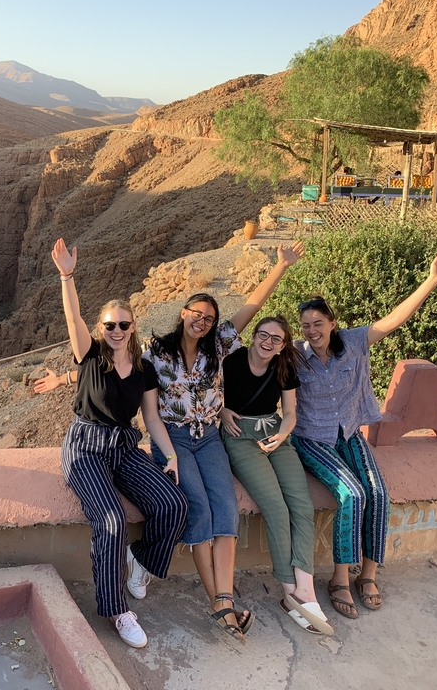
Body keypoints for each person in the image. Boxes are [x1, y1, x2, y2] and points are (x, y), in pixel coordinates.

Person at [141, 241, 305, 642]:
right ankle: (221, 604)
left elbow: (252, 306)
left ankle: (224, 600)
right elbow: (122, 373)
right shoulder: (157, 353)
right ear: (183, 314)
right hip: (176, 438)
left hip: (211, 437)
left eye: (209, 317)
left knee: (226, 512)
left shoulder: (219, 346)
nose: (202, 321)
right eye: (196, 313)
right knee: (199, 512)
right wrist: (67, 377)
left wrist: (281, 267)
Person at [292, 253, 437, 618]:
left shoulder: (353, 342)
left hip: (349, 434)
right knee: (351, 493)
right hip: (312, 439)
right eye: (305, 325)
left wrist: (431, 280)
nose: (311, 331)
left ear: (333, 323)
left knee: (377, 492)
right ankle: (338, 577)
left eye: (317, 323)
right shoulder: (295, 356)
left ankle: (368, 575)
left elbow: (396, 319)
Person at [51, 237, 188, 649]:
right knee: (110, 520)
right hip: (86, 448)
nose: (115, 330)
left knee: (174, 503)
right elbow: (72, 317)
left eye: (123, 325)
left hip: (124, 447)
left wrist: (171, 454)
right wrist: (67, 276)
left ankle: (140, 559)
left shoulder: (144, 370)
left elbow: (151, 418)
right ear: (101, 329)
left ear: (133, 329)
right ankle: (116, 610)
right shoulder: (90, 356)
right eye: (109, 325)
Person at [219, 316, 333, 635]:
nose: (268, 342)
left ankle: (306, 589)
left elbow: (290, 413)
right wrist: (222, 411)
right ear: (254, 336)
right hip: (240, 435)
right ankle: (288, 592)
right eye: (263, 335)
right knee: (276, 509)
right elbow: (210, 398)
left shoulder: (283, 368)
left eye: (276, 339)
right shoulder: (231, 361)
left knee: (302, 506)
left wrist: (282, 436)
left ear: (283, 344)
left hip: (275, 434)